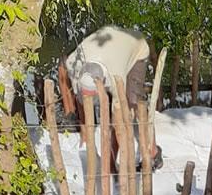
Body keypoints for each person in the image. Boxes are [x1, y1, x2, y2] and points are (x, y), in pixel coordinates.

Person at [60, 25, 162, 172]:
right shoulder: (73, 63)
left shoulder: (116, 76)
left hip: (135, 46)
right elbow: (75, 93)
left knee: (133, 103)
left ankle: (153, 152)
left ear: (102, 84)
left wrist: (112, 163)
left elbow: (119, 121)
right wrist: (84, 129)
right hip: (108, 43)